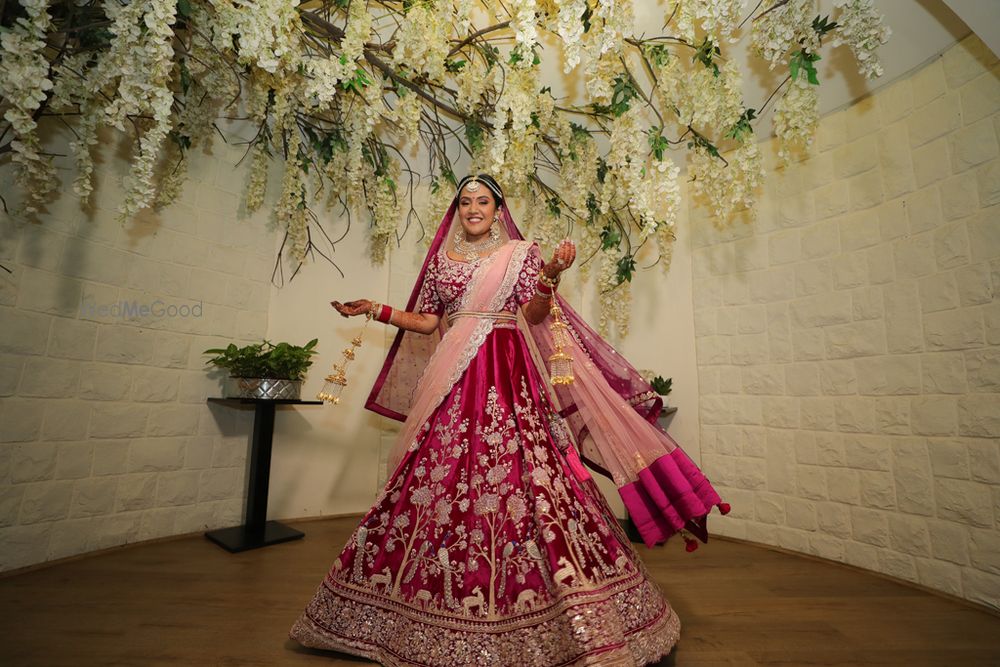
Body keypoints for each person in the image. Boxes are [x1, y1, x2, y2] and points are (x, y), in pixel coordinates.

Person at [289, 174, 727, 666]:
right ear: (457, 211)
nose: (473, 208)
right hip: (451, 381)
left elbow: (536, 315)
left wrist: (550, 277)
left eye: (482, 201)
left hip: (504, 374)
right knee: (435, 474)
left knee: (527, 477)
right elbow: (429, 322)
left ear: (499, 209)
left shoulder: (520, 255)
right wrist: (376, 309)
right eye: (465, 202)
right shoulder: (441, 263)